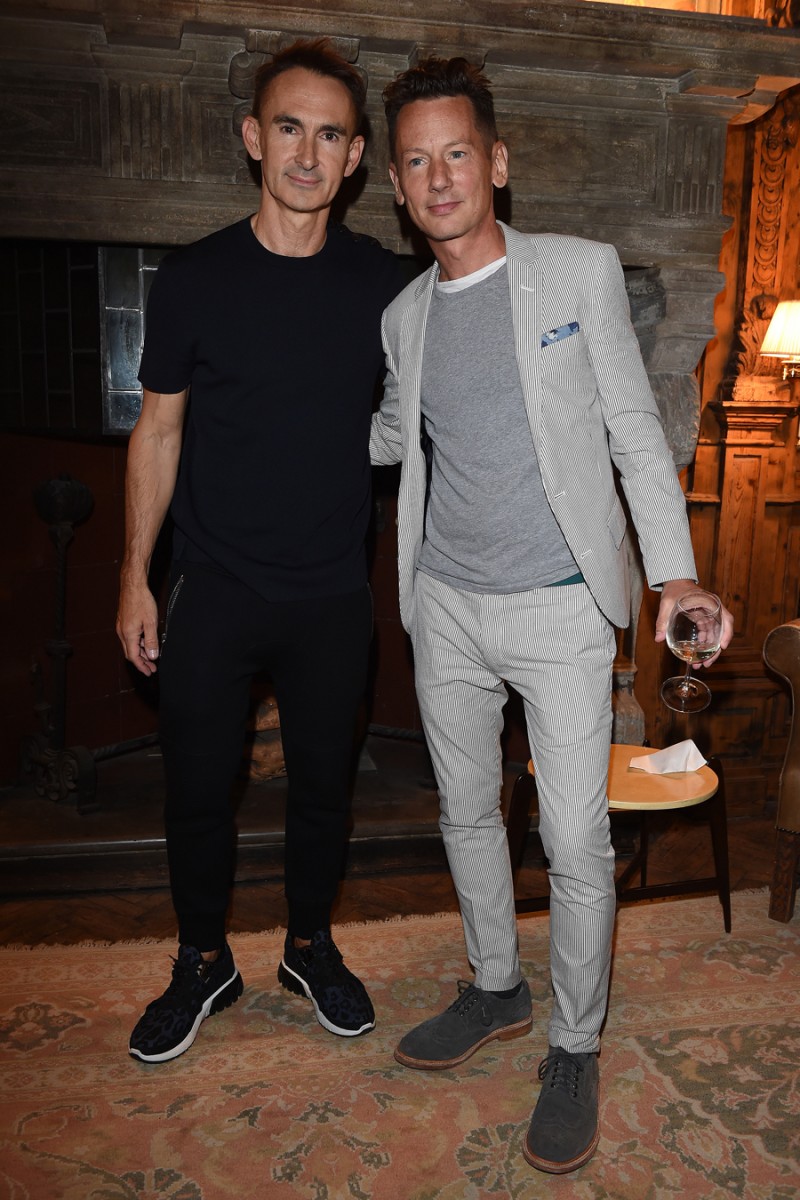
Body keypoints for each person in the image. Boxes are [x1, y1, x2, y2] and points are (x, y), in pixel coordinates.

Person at [370, 56, 734, 1174]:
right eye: (417, 161)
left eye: (457, 154)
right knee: (466, 813)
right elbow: (390, 437)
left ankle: (573, 1042)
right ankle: (496, 986)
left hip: (562, 611)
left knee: (570, 834)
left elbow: (633, 431)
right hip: (444, 606)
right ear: (395, 181)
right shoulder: (399, 316)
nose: (439, 178)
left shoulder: (576, 275)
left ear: (497, 162)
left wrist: (671, 581)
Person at [116, 39, 402, 1064]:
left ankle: (308, 946)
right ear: (252, 137)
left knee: (323, 786)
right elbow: (156, 432)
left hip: (330, 588)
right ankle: (203, 961)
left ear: (357, 156)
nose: (306, 152)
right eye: (289, 126)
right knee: (197, 788)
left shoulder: (382, 285)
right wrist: (133, 579)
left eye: (329, 134)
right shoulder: (193, 278)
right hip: (215, 580)